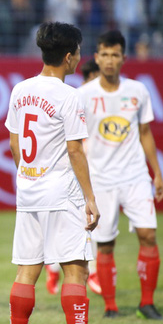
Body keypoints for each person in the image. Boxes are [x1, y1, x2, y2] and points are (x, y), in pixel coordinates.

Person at [4, 21, 119, 324]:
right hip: (62, 193)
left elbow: (13, 142)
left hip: (27, 191)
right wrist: (90, 198)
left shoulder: (20, 90)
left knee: (27, 270)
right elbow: (75, 150)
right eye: (80, 53)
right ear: (69, 57)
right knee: (76, 269)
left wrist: (28, 176)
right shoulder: (71, 96)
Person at [78, 30, 163, 320]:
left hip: (135, 175)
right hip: (100, 178)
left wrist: (157, 173)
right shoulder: (84, 95)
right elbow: (75, 140)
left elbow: (145, 133)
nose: (109, 60)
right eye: (104, 54)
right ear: (96, 57)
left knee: (148, 234)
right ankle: (111, 306)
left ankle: (147, 303)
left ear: (124, 58)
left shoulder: (138, 91)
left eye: (115, 55)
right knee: (105, 243)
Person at [45, 57, 102, 295]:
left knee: (86, 225)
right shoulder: (75, 98)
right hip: (73, 171)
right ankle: (55, 267)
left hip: (94, 169)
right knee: (75, 224)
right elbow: (72, 146)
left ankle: (90, 269)